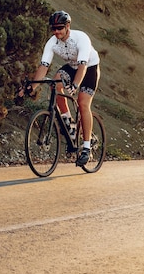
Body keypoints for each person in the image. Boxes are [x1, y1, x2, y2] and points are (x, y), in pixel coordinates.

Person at [19, 10, 100, 166]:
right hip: (72, 66)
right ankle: (69, 124)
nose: (56, 31)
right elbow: (44, 66)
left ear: (68, 26)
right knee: (55, 84)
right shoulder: (52, 43)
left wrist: (75, 85)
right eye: (54, 28)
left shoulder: (81, 38)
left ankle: (86, 147)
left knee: (83, 103)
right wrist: (32, 88)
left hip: (89, 67)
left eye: (60, 28)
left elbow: (82, 66)